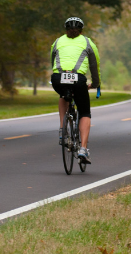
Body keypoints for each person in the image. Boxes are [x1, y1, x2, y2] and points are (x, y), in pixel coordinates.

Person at [50, 16, 100, 164]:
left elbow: (52, 61)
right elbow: (94, 67)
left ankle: (62, 131)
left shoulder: (57, 41)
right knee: (84, 111)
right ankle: (83, 149)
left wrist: (58, 76)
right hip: (78, 79)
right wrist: (96, 84)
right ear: (81, 30)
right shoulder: (88, 42)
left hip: (58, 78)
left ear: (66, 29)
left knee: (63, 94)